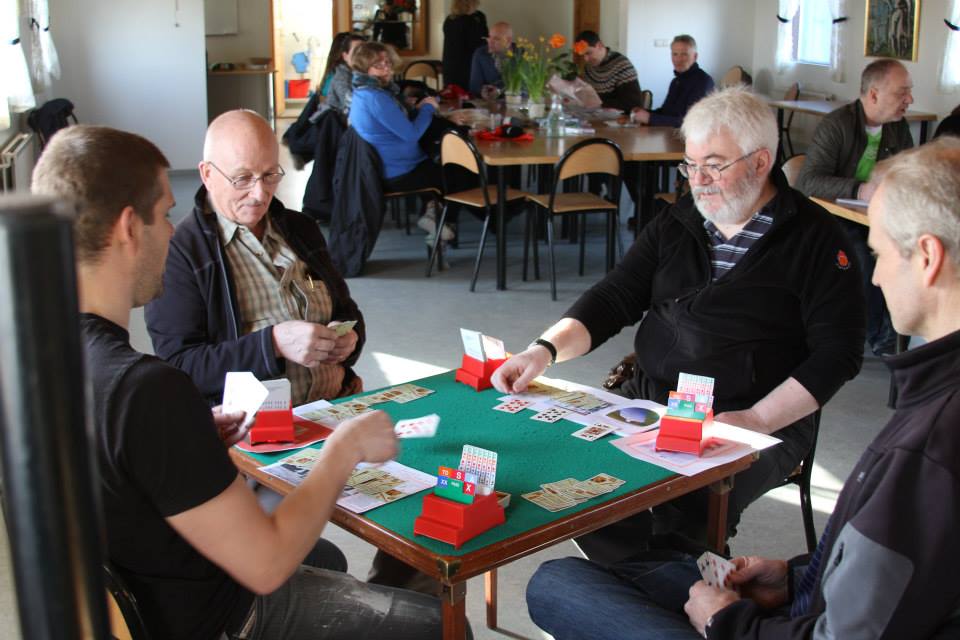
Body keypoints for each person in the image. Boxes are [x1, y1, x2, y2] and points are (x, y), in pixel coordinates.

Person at [525, 135, 960, 640]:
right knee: (594, 537)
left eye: (879, 254)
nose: (877, 278)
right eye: (690, 164)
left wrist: (727, 620)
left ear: (927, 256)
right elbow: (883, 578)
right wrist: (794, 576)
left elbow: (850, 630)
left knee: (558, 583)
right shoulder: (932, 409)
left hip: (769, 587)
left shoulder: (929, 442)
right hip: (795, 598)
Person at [31, 124, 445, 640]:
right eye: (165, 214)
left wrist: (187, 439)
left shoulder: (42, 360)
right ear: (129, 228)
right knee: (439, 626)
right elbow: (267, 564)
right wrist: (344, 448)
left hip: (143, 590)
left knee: (327, 558)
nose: (172, 231)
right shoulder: (146, 389)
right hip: (216, 616)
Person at [492, 86, 865, 561]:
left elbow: (838, 354)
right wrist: (542, 350)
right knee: (574, 478)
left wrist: (755, 420)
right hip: (655, 395)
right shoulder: (680, 220)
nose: (698, 181)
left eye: (714, 165)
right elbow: (615, 297)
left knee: (688, 507)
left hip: (757, 414)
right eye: (690, 165)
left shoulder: (817, 239)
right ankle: (637, 583)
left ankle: (669, 587)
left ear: (760, 162)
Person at [144, 110, 365, 407]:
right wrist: (271, 344)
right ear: (207, 174)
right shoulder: (180, 253)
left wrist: (350, 339)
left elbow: (345, 308)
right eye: (242, 178)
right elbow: (180, 367)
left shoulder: (301, 229)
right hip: (254, 429)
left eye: (270, 175)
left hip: (336, 407)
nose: (260, 194)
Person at [796, 58, 914, 357]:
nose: (909, 100)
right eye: (902, 92)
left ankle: (894, 336)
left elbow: (908, 172)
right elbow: (808, 181)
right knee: (862, 256)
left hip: (877, 216)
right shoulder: (837, 125)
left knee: (906, 253)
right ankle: (873, 336)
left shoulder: (898, 128)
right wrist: (860, 189)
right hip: (832, 217)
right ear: (873, 94)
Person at [348, 41, 454, 243]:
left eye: (387, 62)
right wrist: (428, 108)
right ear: (364, 67)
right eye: (378, 65)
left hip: (385, 166)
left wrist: (414, 110)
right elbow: (412, 134)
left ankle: (432, 213)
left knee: (436, 161)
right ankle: (441, 222)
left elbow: (393, 123)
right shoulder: (376, 97)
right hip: (398, 172)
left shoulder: (363, 92)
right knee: (454, 171)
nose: (387, 68)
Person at [630, 35, 714, 127]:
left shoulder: (703, 81)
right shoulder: (676, 82)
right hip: (668, 133)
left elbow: (691, 122)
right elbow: (666, 113)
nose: (678, 59)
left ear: (695, 56)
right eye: (675, 54)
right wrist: (643, 112)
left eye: (684, 54)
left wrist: (650, 118)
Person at [576, 29, 644, 112]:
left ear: (599, 45)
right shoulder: (588, 67)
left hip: (621, 117)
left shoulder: (621, 65)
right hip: (597, 114)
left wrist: (599, 103)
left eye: (588, 53)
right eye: (583, 55)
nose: (586, 59)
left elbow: (634, 104)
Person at [442, 0, 488, 90]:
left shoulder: (449, 19)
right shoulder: (470, 21)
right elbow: (478, 43)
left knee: (453, 93)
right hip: (467, 66)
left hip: (450, 66)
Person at [320, 32, 366, 114]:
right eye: (356, 51)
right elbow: (352, 106)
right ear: (344, 55)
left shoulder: (360, 73)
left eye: (365, 51)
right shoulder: (340, 75)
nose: (361, 55)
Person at [469, 21, 513, 97]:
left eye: (496, 39)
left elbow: (524, 86)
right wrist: (483, 91)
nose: (490, 42)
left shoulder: (521, 54)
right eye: (489, 37)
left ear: (508, 41)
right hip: (489, 101)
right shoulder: (480, 53)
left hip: (515, 101)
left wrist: (499, 90)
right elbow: (474, 87)